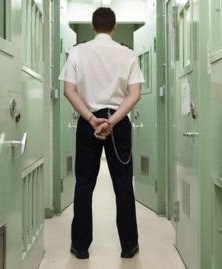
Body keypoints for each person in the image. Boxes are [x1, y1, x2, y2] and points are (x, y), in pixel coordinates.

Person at [58, 7, 145, 259]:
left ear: (93, 27)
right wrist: (112, 121)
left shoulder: (77, 52)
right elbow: (135, 94)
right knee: (123, 185)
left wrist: (92, 119)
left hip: (89, 123)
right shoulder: (128, 54)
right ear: (114, 27)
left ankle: (80, 246)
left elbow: (69, 90)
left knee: (84, 184)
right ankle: (129, 246)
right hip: (118, 124)